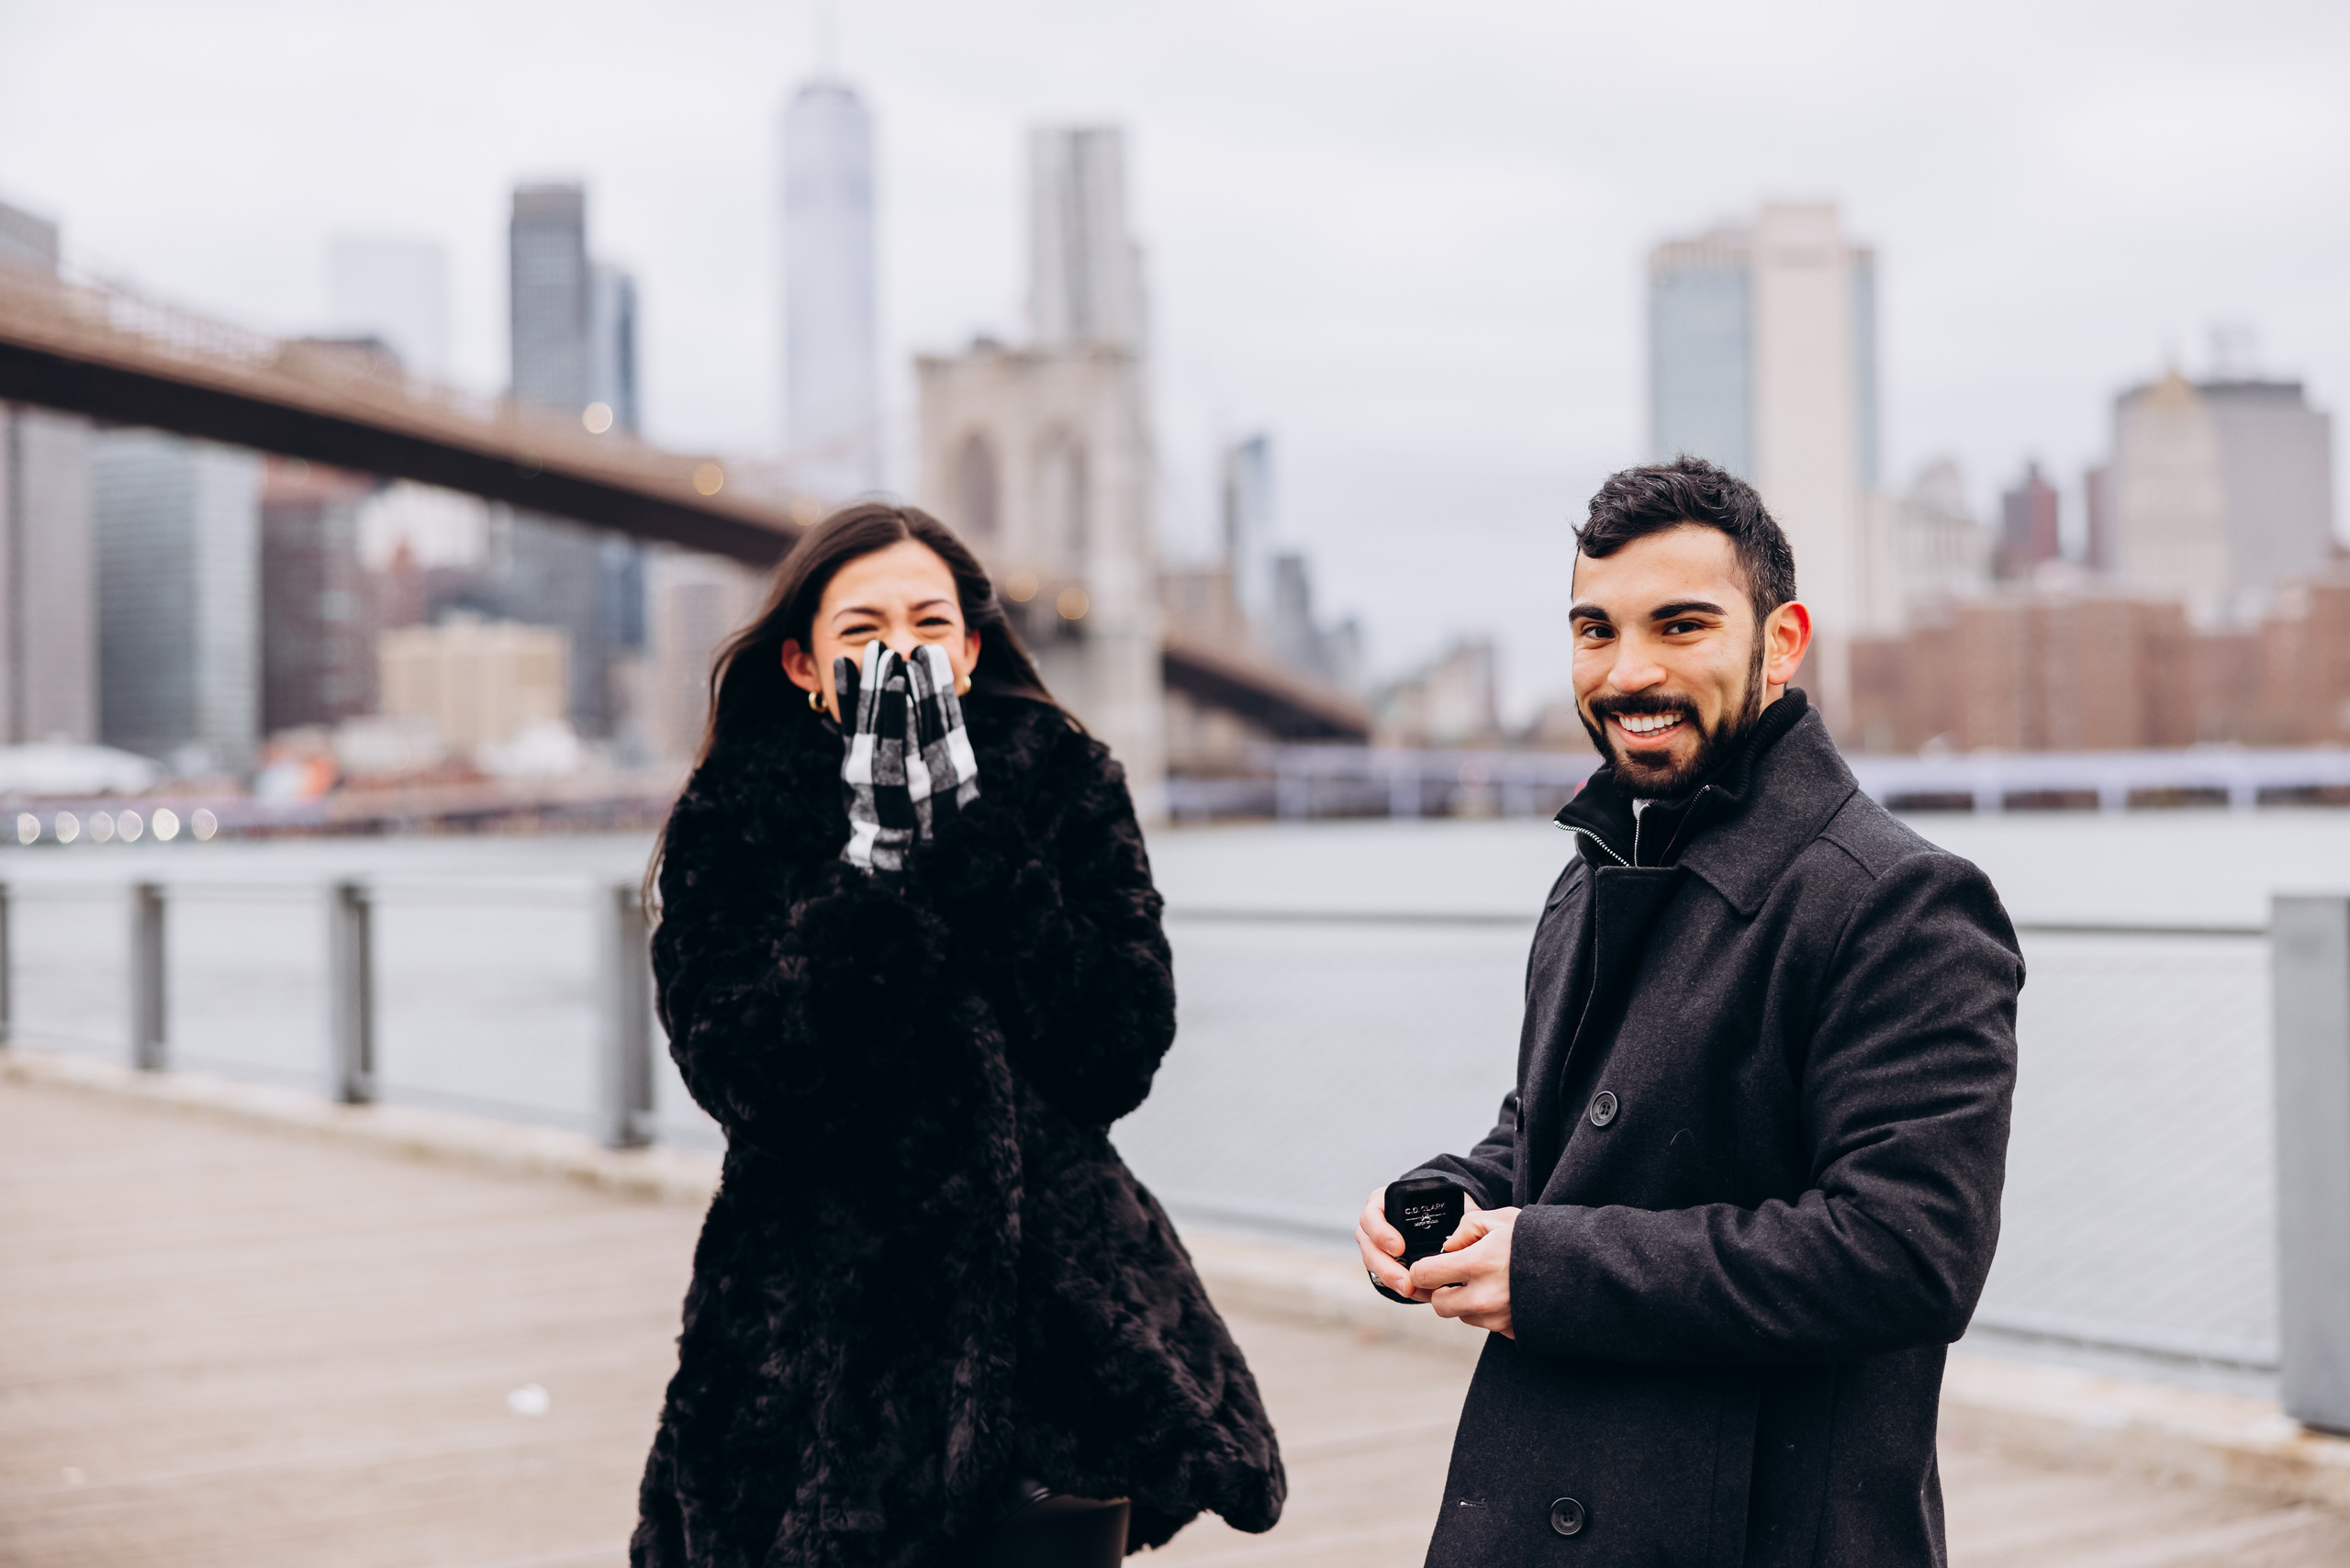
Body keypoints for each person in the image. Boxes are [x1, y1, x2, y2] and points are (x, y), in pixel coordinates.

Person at [1358, 458, 2021, 1566]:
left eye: (1680, 626)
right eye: (1594, 631)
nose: (1628, 673)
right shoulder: (1593, 872)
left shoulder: (1903, 903)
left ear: (1782, 640)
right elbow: (1549, 1133)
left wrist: (1550, 1270)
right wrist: (1449, 1198)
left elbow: (1907, 1254)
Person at [633, 502, 1284, 1568]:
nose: (900, 649)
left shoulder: (1064, 781)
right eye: (861, 630)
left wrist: (972, 839)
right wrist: (874, 866)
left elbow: (1115, 1047)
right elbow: (752, 1078)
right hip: (815, 1354)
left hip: (1054, 1340)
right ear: (802, 664)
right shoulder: (736, 813)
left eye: (929, 622)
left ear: (972, 650)